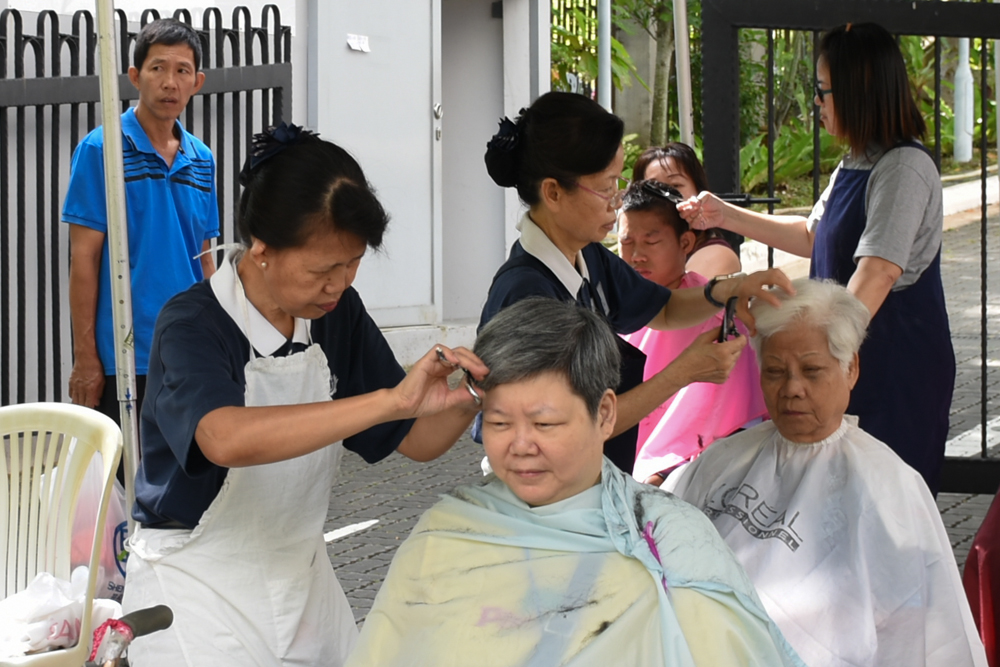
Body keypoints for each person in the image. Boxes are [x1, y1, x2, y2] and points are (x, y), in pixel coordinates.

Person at [120, 124, 488, 667]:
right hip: (196, 583)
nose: (338, 284)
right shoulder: (194, 323)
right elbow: (224, 436)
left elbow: (414, 440)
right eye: (323, 269)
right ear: (263, 249)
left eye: (353, 263)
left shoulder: (337, 316)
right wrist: (392, 400)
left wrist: (469, 397)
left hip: (303, 580)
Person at [345, 298, 805, 667]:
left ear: (604, 414)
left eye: (544, 425)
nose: (520, 446)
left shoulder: (672, 545)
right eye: (500, 424)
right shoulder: (445, 535)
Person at [677, 22, 955, 494]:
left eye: (824, 92)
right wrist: (722, 214)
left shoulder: (904, 167)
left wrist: (825, 349)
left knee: (881, 499)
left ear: (858, 92)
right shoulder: (858, 160)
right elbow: (812, 234)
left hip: (891, 365)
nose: (817, 104)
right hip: (844, 356)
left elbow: (878, 271)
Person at [663, 278, 987, 667]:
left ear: (850, 369)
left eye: (812, 370)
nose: (792, 389)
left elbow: (919, 634)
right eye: (775, 371)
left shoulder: (888, 485)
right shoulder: (725, 457)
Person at [480, 91, 791, 473]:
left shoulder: (587, 256)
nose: (616, 201)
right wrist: (682, 373)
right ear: (553, 192)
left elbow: (661, 307)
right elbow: (576, 427)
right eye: (606, 187)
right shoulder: (526, 293)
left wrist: (724, 290)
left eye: (618, 183)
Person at [64, 18, 219, 429]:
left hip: (191, 347)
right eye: (158, 68)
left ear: (197, 81)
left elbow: (206, 259)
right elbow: (83, 260)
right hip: (127, 352)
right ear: (135, 76)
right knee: (128, 480)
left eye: (182, 71)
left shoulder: (202, 159)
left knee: (191, 476)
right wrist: (86, 358)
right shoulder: (102, 150)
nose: (170, 82)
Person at [618, 180, 767, 485]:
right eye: (627, 241)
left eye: (651, 241)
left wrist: (662, 472)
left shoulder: (718, 316)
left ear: (685, 243)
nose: (636, 255)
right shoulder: (614, 306)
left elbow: (723, 420)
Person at [633, 142, 742, 278]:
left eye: (675, 185)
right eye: (654, 188)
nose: (664, 194)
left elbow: (682, 296)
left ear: (698, 191)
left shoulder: (716, 254)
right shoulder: (632, 248)